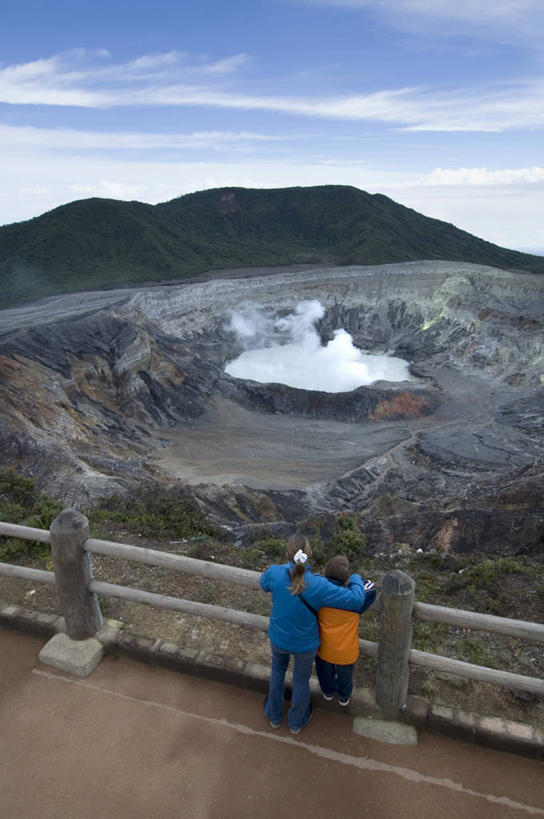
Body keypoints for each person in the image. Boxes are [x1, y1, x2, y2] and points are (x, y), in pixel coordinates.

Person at [259, 534, 367, 734]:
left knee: (277, 671)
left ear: (287, 554)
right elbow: (357, 599)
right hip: (305, 644)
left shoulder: (275, 573)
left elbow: (263, 583)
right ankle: (296, 722)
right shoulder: (319, 584)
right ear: (309, 554)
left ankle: (274, 716)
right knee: (301, 681)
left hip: (279, 637)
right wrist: (356, 578)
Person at [315, 554, 376, 706]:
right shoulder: (354, 603)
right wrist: (354, 578)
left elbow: (314, 578)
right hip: (346, 652)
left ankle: (327, 692)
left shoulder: (318, 597)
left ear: (325, 574)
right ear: (346, 579)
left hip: (324, 648)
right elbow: (371, 587)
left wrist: (322, 578)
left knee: (324, 673)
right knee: (345, 677)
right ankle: (344, 697)